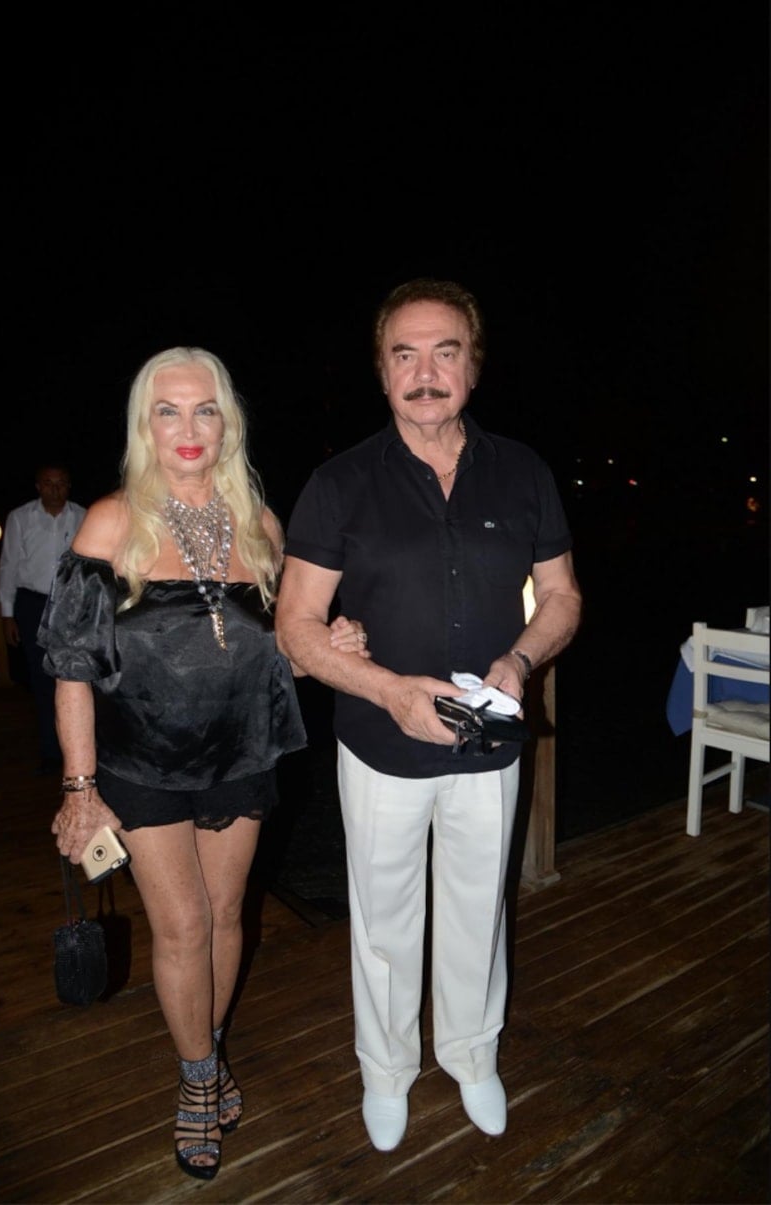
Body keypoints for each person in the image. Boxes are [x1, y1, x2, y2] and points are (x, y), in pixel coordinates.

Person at [38, 347, 368, 1181]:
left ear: (229, 424)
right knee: (182, 925)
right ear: (144, 426)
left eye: (205, 409)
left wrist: (327, 643)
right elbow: (73, 666)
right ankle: (195, 1080)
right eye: (168, 410)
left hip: (241, 756)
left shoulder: (260, 527)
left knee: (225, 917)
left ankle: (209, 1046)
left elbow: (277, 653)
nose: (188, 428)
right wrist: (80, 787)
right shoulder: (112, 521)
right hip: (141, 762)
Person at [275, 278, 583, 1152]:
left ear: (473, 367)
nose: (424, 373)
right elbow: (297, 625)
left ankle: (471, 1054)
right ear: (382, 371)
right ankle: (386, 1072)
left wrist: (520, 660)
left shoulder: (523, 471)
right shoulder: (338, 482)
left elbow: (562, 595)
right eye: (404, 355)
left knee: (479, 909)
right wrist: (391, 691)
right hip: (380, 742)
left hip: (491, 740)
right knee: (383, 920)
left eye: (445, 352)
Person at [0, 462, 86, 772]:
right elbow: (9, 565)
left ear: (69, 485)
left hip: (71, 605)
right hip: (32, 603)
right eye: (48, 483)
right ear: (38, 486)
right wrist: (7, 614)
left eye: (61, 482)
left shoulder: (83, 516)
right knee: (41, 678)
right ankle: (51, 750)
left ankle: (79, 751)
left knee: (74, 677)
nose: (55, 489)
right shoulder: (20, 517)